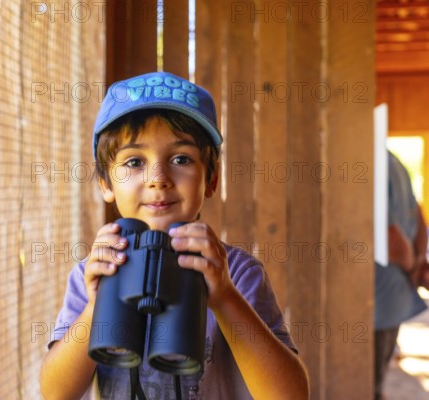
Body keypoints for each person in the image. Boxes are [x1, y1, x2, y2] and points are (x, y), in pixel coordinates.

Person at [40, 71, 309, 399]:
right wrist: (95, 306)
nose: (158, 178)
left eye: (181, 159)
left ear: (211, 180)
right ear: (105, 184)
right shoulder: (95, 272)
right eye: (135, 162)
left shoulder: (236, 273)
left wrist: (224, 297)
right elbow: (55, 393)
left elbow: (290, 395)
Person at [374, 151, 428, 400]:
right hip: (393, 297)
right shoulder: (393, 160)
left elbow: (390, 236)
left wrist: (411, 266)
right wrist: (417, 262)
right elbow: (417, 211)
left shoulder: (370, 162)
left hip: (379, 299)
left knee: (368, 383)